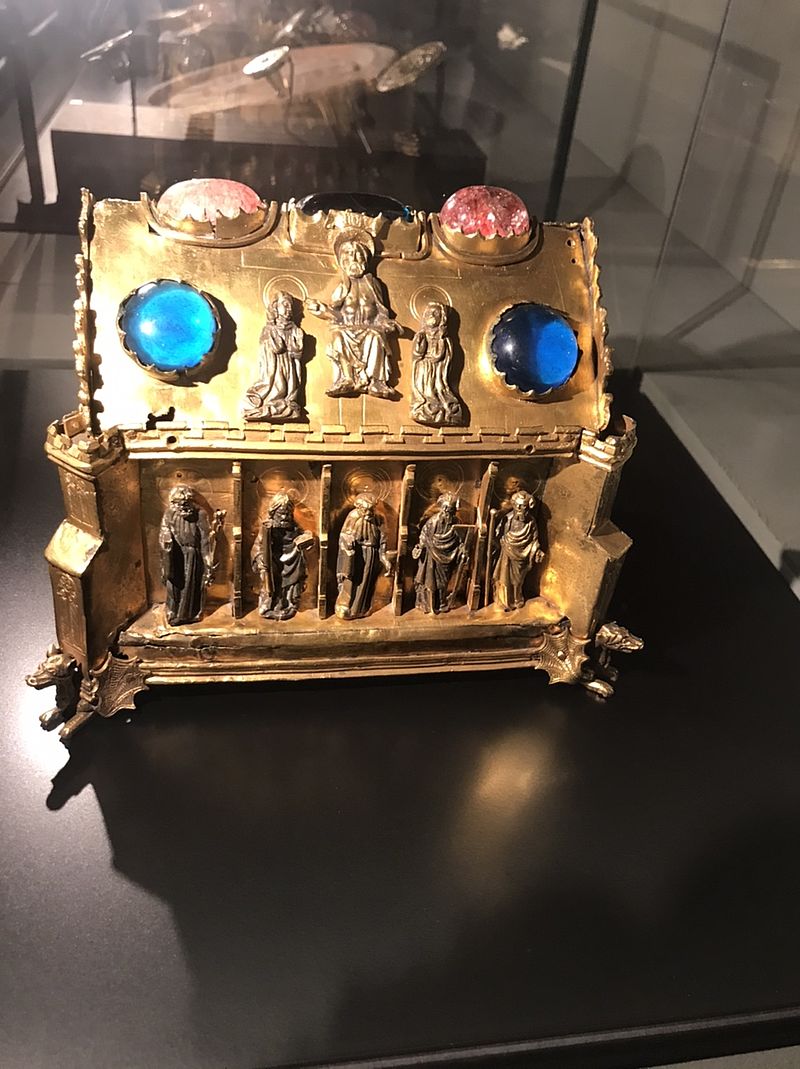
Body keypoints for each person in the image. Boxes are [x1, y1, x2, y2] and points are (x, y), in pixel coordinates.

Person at [305, 231, 398, 398]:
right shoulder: (341, 283)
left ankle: (376, 382)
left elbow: (381, 311)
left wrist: (386, 323)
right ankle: (347, 379)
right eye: (348, 255)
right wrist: (321, 310)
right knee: (338, 336)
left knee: (376, 337)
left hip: (369, 328)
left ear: (365, 259)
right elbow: (336, 314)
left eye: (357, 255)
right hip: (345, 328)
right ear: (342, 260)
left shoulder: (373, 283)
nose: (353, 259)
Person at [244, 291, 305, 421]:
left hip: (290, 368)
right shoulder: (269, 329)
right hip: (273, 366)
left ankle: (285, 403)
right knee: (276, 384)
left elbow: (298, 352)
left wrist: (295, 345)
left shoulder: (296, 330)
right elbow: (275, 348)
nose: (289, 309)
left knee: (289, 384)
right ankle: (266, 402)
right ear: (275, 307)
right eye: (285, 305)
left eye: (291, 306)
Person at [251, 491, 312, 620]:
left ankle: (290, 604)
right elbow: (258, 546)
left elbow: (304, 534)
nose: (284, 517)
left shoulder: (293, 526)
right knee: (271, 579)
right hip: (272, 561)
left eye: (287, 513)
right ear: (273, 512)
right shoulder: (268, 528)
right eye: (281, 513)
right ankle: (268, 606)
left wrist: (306, 538)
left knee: (294, 576)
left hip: (291, 560)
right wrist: (260, 559)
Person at [160, 485, 214, 625]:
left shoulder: (200, 514)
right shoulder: (169, 513)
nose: (183, 507)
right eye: (179, 504)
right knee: (174, 585)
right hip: (174, 553)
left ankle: (189, 614)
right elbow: (164, 531)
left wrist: (208, 563)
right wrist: (167, 541)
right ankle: (173, 612)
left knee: (191, 586)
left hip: (193, 555)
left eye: (186, 503)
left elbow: (205, 540)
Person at [335, 492, 392, 619]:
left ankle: (362, 608)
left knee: (367, 582)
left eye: (371, 510)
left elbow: (383, 538)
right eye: (365, 510)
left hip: (372, 553)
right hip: (356, 554)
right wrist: (349, 542)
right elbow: (344, 535)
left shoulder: (379, 517)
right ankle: (346, 606)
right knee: (353, 580)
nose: (368, 514)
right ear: (359, 508)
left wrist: (383, 557)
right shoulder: (353, 516)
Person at [410, 301, 463, 426]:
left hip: (438, 369)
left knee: (437, 389)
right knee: (424, 388)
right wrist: (420, 345)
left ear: (442, 318)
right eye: (429, 312)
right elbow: (417, 354)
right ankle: (425, 405)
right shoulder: (421, 335)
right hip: (424, 366)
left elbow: (442, 356)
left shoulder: (444, 338)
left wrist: (440, 341)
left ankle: (441, 407)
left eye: (435, 313)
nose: (431, 315)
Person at [412, 492, 466, 613]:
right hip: (432, 555)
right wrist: (421, 546)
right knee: (431, 581)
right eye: (448, 510)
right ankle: (428, 604)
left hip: (449, 555)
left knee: (443, 583)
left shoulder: (456, 522)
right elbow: (424, 534)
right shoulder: (433, 522)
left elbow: (460, 539)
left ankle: (441, 603)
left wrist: (462, 549)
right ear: (444, 509)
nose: (449, 514)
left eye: (452, 511)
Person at [492, 490, 545, 611]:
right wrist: (500, 540)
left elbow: (534, 540)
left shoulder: (531, 522)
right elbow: (499, 535)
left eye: (523, 506)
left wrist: (536, 550)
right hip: (507, 552)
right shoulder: (508, 519)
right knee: (504, 577)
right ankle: (504, 600)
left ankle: (517, 598)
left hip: (523, 555)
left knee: (518, 580)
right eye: (518, 506)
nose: (520, 509)